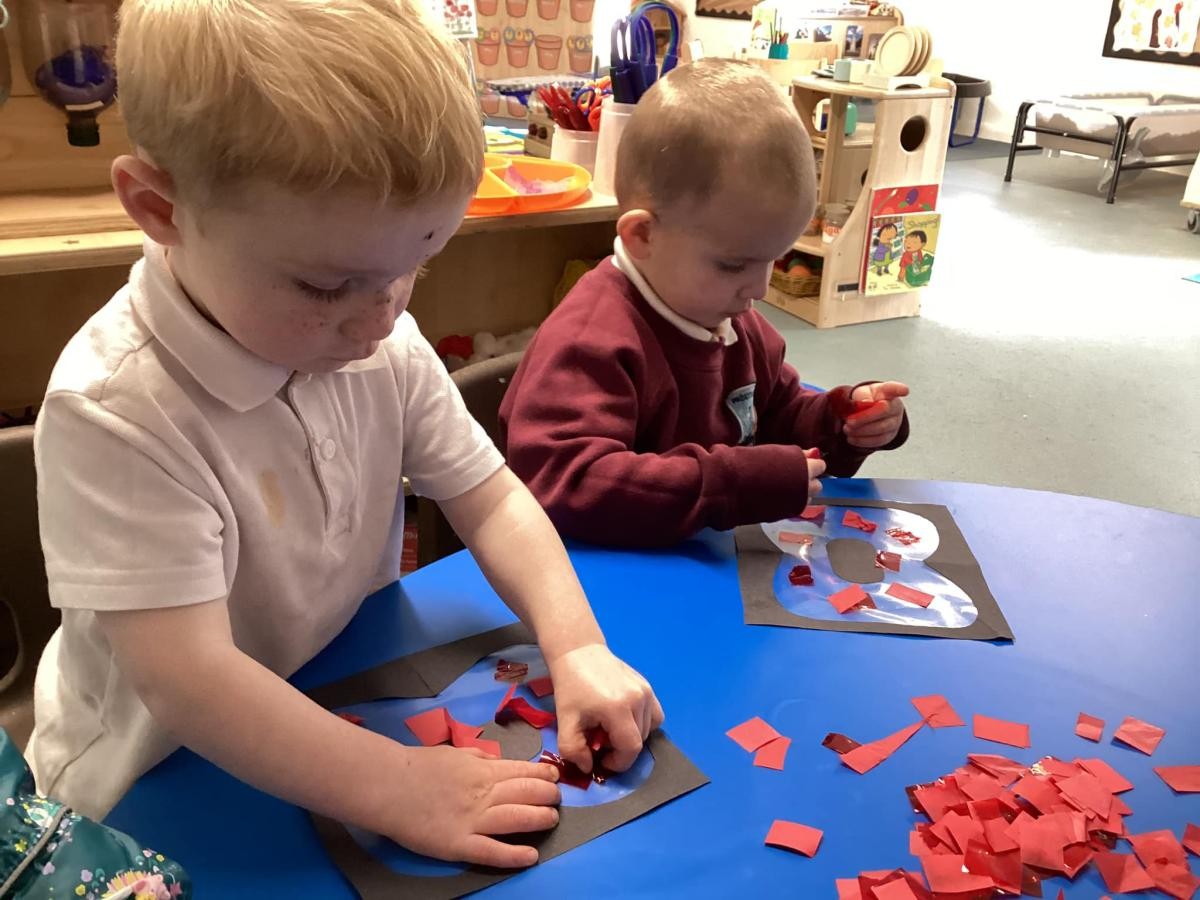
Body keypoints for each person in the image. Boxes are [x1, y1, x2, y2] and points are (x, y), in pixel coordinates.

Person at [28, 0, 661, 870]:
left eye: (414, 265)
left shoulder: (379, 334)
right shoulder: (117, 410)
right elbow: (187, 682)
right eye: (329, 287)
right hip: (147, 785)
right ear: (159, 208)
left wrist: (577, 643)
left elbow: (491, 498)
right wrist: (396, 787)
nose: (382, 316)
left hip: (329, 687)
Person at [499, 59, 910, 548]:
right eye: (734, 266)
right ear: (642, 235)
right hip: (605, 583)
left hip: (700, 561)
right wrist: (731, 483)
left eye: (774, 262)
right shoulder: (591, 340)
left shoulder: (732, 319)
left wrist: (839, 423)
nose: (758, 289)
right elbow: (567, 481)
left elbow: (776, 415)